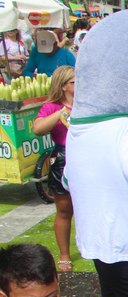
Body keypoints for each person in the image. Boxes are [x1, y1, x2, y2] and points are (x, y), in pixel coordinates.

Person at [33, 66, 75, 273]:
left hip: (87, 157)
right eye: (74, 82)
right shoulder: (52, 107)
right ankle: (64, 255)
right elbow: (38, 129)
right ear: (64, 85)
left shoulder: (89, 102)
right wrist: (60, 113)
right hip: (63, 157)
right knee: (64, 209)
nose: (79, 85)